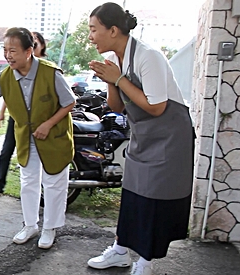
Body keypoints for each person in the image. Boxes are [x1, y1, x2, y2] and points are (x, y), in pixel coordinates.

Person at [85, 3, 194, 275]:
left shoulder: (149, 56)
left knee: (153, 200)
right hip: (144, 137)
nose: (90, 36)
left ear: (112, 30)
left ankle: (145, 262)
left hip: (170, 138)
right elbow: (116, 107)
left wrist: (118, 78)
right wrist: (110, 79)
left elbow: (156, 106)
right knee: (133, 194)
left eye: (93, 29)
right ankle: (120, 251)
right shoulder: (118, 60)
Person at [0, 27, 75, 250]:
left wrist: (48, 124)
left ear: (29, 51)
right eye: (6, 50)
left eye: (13, 51)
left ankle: (50, 228)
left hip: (54, 137)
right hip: (27, 138)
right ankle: (30, 225)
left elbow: (69, 102)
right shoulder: (6, 76)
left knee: (53, 182)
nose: (8, 55)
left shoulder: (51, 72)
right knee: (28, 182)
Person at [0, 31, 48, 195]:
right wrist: (2, 113)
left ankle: (42, 189)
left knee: (37, 157)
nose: (9, 55)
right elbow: (6, 94)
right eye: (6, 50)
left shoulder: (47, 70)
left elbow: (65, 101)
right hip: (17, 119)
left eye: (35, 42)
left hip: (39, 122)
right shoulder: (10, 72)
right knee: (6, 150)